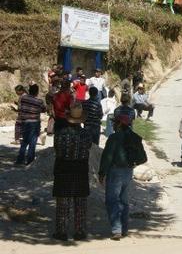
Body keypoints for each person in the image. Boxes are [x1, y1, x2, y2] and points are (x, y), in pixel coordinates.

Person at [52, 103, 92, 241]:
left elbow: (57, 150)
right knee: (80, 202)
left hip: (63, 168)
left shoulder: (60, 134)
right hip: (80, 169)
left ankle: (61, 232)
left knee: (63, 202)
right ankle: (79, 231)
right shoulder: (86, 135)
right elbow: (88, 148)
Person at [98, 109, 137, 241]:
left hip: (116, 172)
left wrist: (102, 172)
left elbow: (107, 157)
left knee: (112, 200)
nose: (113, 125)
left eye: (115, 123)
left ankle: (116, 230)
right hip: (128, 171)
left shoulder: (114, 138)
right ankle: (124, 228)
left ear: (120, 124)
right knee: (124, 201)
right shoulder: (132, 136)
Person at [15, 84, 46, 165]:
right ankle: (30, 160)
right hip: (34, 123)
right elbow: (44, 109)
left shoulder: (23, 98)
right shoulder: (39, 101)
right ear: (37, 92)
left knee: (24, 141)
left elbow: (20, 108)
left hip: (25, 122)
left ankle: (20, 160)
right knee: (33, 142)